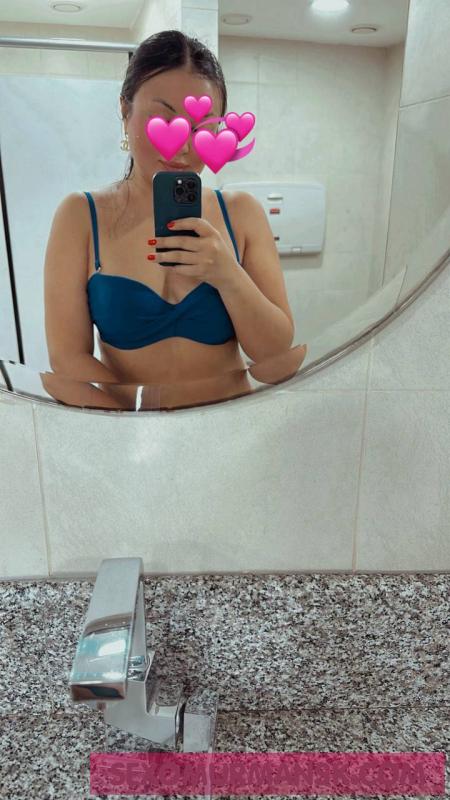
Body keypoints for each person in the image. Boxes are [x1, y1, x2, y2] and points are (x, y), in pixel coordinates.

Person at [44, 29, 301, 410]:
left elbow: (275, 354)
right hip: (131, 429)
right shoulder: (80, 216)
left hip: (234, 425)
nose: (181, 145)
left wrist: (227, 275)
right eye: (163, 118)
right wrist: (136, 423)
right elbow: (67, 358)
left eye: (202, 126)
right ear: (125, 111)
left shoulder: (241, 214)